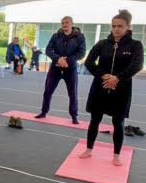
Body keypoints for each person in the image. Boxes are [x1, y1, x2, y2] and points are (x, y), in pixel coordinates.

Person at [79, 10, 144, 166]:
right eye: (114, 26)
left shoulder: (135, 45)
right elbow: (88, 62)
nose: (116, 29)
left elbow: (137, 65)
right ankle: (89, 149)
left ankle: (116, 155)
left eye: (120, 26)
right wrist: (103, 75)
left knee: (118, 122)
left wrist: (117, 78)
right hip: (100, 87)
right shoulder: (102, 43)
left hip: (121, 88)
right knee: (95, 120)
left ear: (128, 27)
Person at [35, 16, 86, 124]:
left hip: (70, 68)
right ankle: (43, 112)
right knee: (48, 91)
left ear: (72, 24)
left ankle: (74, 116)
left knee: (73, 93)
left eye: (67, 22)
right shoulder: (56, 36)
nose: (64, 24)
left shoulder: (79, 37)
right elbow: (48, 50)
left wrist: (67, 61)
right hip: (55, 68)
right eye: (62, 23)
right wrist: (58, 59)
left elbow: (81, 53)